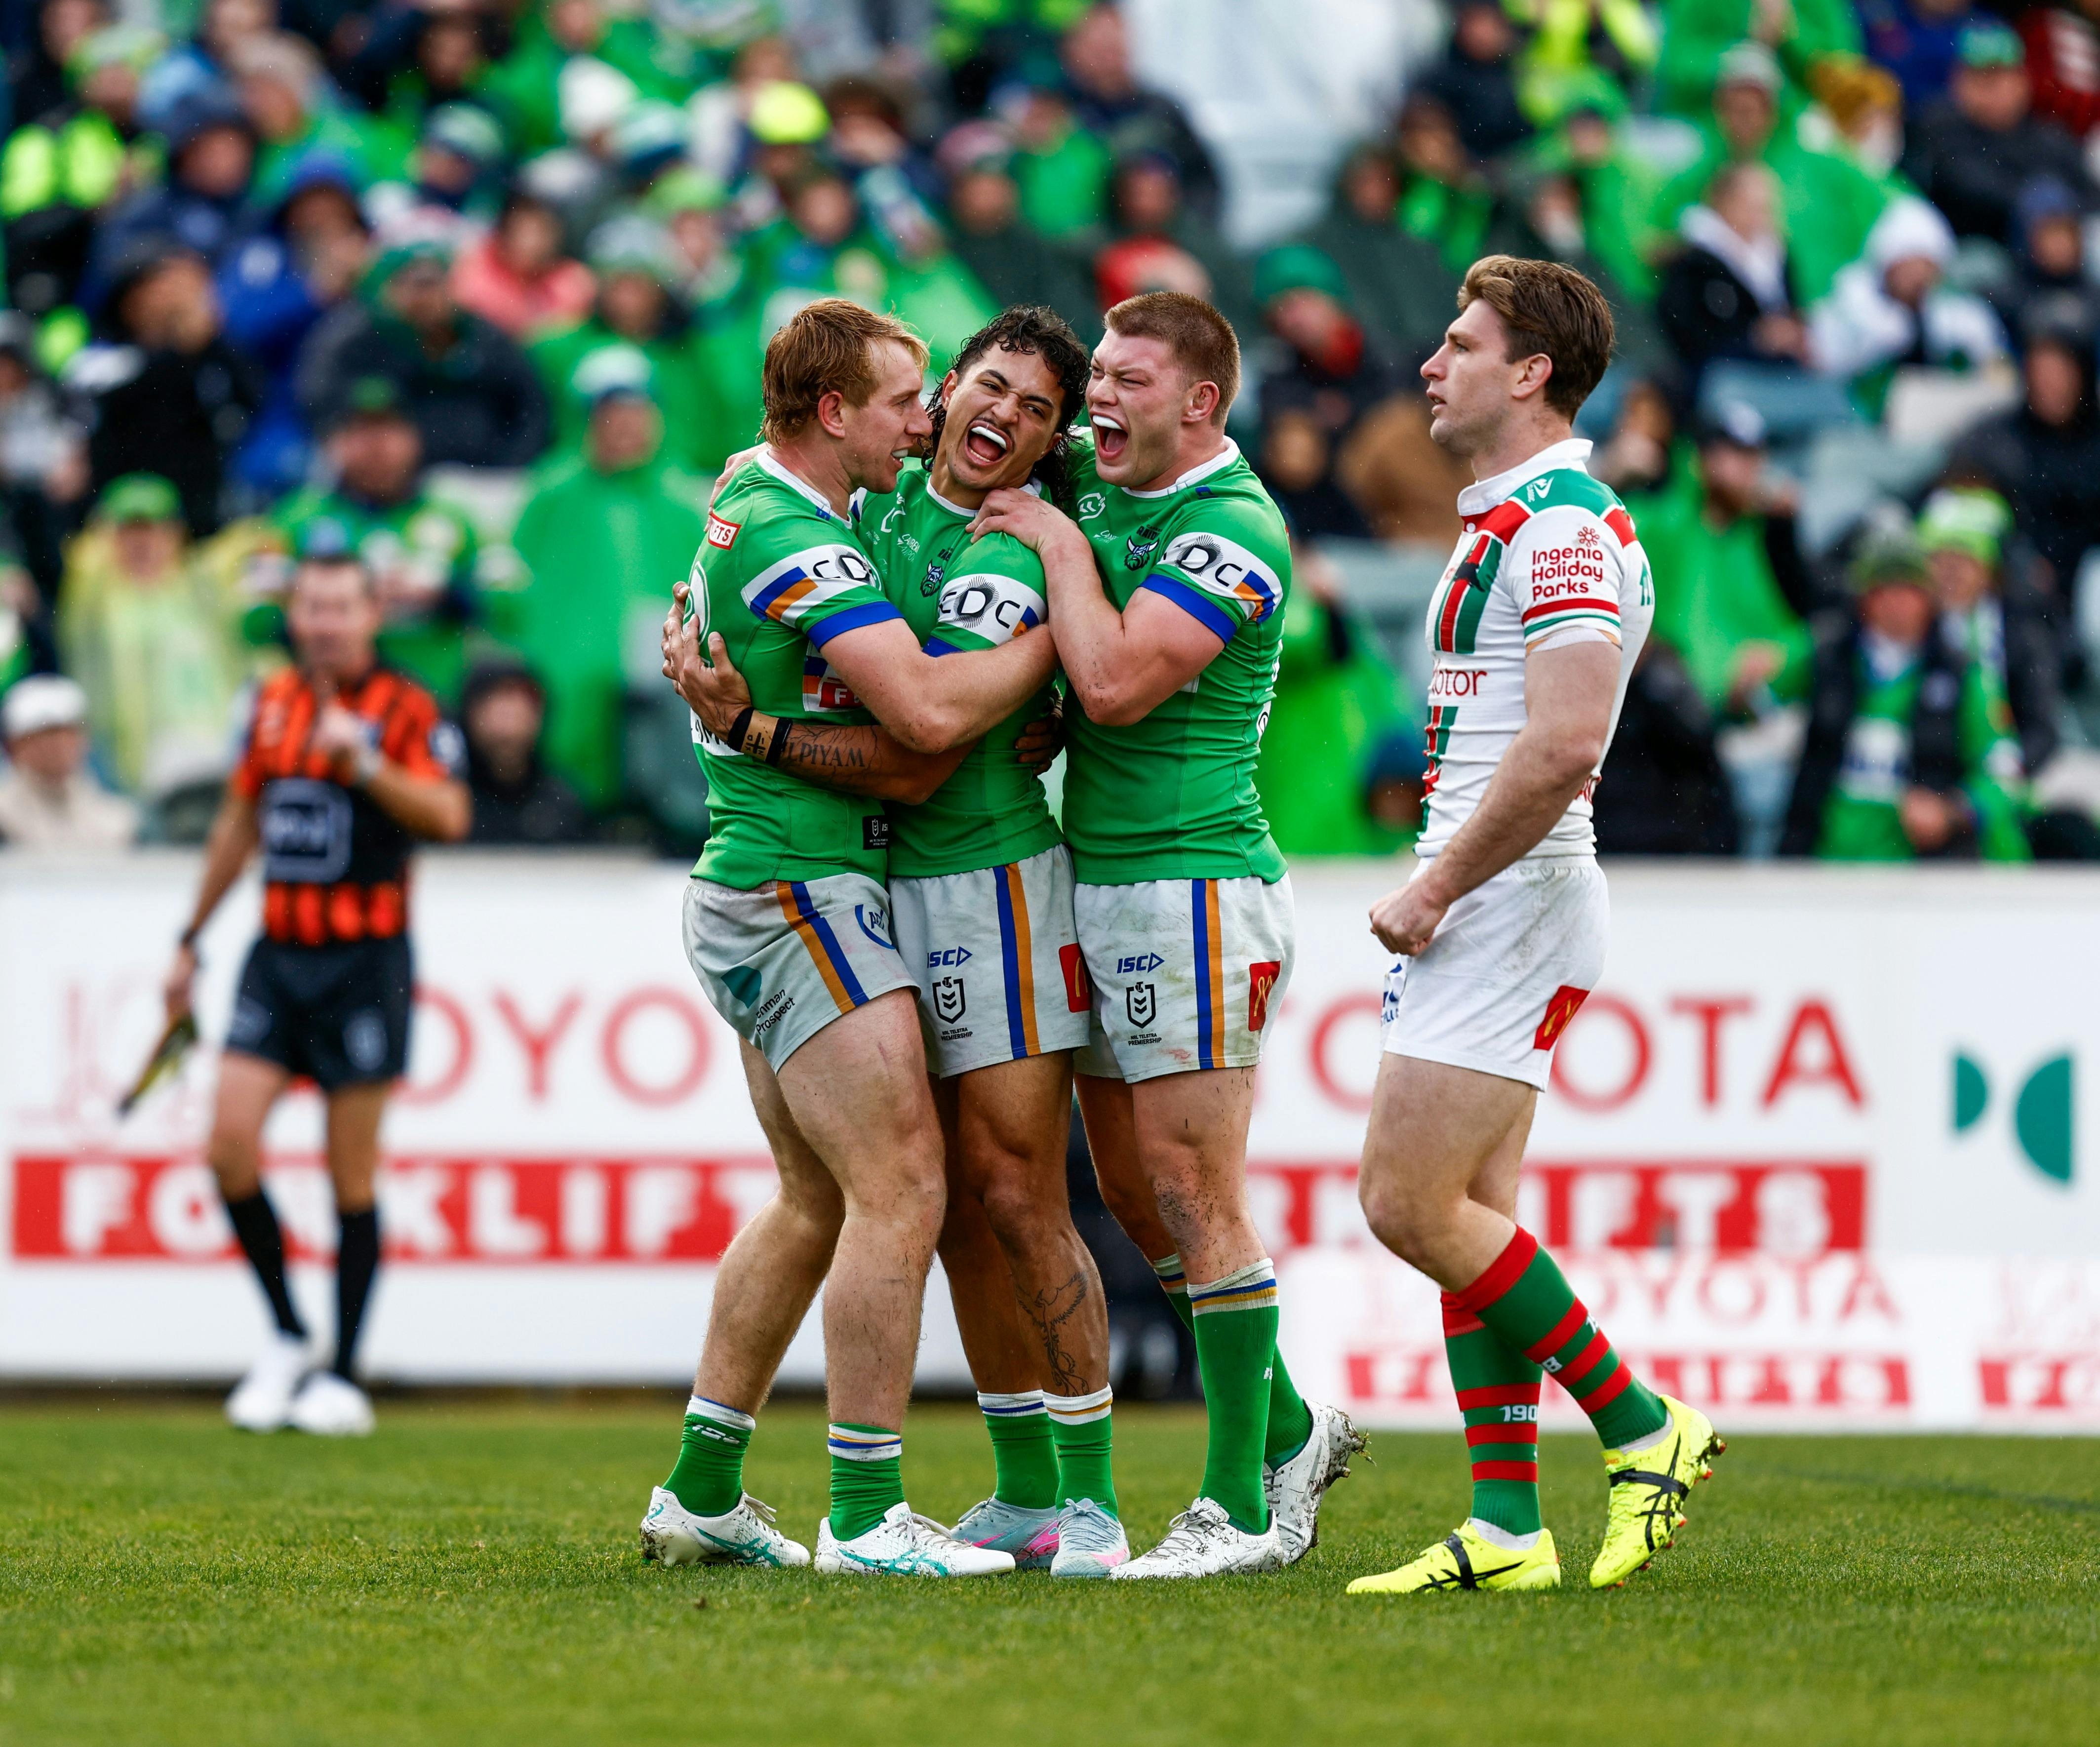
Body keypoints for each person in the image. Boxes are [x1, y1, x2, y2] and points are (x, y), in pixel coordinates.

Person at [669, 306, 1134, 1579]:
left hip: (982, 886)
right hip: (816, 885)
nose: (972, 414)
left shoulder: (1024, 531)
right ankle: (876, 1515)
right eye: (969, 386)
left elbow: (930, 747)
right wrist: (1054, 667)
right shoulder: (828, 517)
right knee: (911, 1193)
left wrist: (1071, 644)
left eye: (1038, 411)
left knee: (993, 1195)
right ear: (841, 415)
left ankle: (1072, 1499)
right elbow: (924, 723)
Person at [972, 291, 1365, 1580]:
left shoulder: (1234, 524)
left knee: (1197, 1194)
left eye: (1129, 380)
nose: (1099, 400)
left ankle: (1237, 1512)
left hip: (1196, 887)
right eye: (1101, 376)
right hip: (1100, 879)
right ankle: (1289, 1433)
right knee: (1137, 1194)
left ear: (1201, 401)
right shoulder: (1108, 485)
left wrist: (1053, 548)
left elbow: (1119, 681)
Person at [1346, 257, 1721, 1598]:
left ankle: (1640, 1424)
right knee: (1469, 1210)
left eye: (1460, 342)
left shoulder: (1557, 526)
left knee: (1402, 1199)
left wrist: (1439, 887)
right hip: (1504, 893)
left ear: (1528, 373)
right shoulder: (1514, 514)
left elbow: (1564, 743)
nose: (1431, 364)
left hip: (1508, 895)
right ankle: (1506, 1525)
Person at [161, 542, 471, 1438]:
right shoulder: (268, 704)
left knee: (351, 1176)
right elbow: (239, 821)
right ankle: (289, 1333)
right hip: (276, 954)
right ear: (293, 616)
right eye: (313, 607)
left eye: (343, 607)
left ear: (372, 615)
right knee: (228, 1147)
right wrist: (189, 938)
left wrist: (365, 766)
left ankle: (343, 1371)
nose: (326, 623)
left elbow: (449, 815)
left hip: (365, 963)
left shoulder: (407, 708)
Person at [507, 357, 709, 811]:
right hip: (567, 683)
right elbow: (512, 580)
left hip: (659, 684)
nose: (624, 428)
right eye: (610, 415)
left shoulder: (680, 501)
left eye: (637, 414)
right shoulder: (551, 494)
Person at [1780, 533, 2030, 860]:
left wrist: (1952, 812)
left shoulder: (1964, 677)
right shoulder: (1826, 657)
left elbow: (2005, 774)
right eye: (1883, 589)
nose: (1896, 603)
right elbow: (1754, 694)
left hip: (1920, 879)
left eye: (1908, 589)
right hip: (1826, 867)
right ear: (1864, 599)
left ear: (1928, 599)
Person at [459, 658, 592, 846]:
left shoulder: (564, 804)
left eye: (520, 708)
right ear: (470, 714)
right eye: (495, 705)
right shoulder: (447, 804)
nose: (508, 724)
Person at [0, 672, 138, 849]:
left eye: (70, 733)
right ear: (16, 746)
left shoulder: (118, 817)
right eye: (47, 734)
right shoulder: (5, 818)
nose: (61, 745)